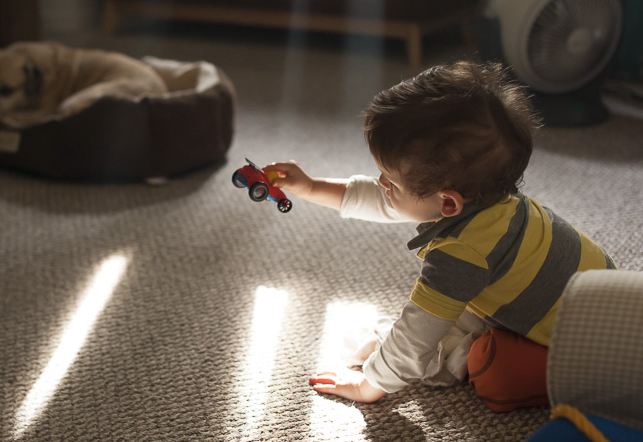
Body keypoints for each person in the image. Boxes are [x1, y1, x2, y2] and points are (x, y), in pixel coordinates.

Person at [263, 61, 616, 411]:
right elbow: (390, 201)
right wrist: (311, 186)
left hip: (591, 350)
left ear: (447, 202)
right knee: (461, 318)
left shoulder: (461, 254)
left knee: (492, 372)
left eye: (389, 179)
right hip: (599, 292)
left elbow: (415, 335)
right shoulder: (490, 195)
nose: (381, 184)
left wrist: (368, 385)